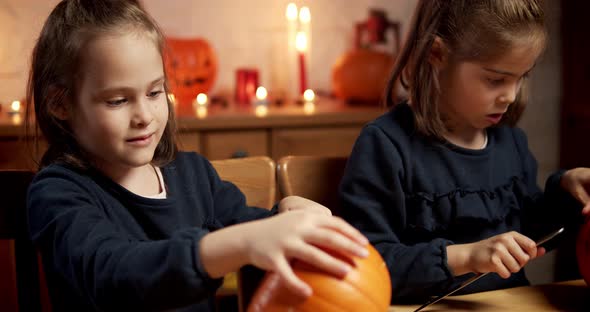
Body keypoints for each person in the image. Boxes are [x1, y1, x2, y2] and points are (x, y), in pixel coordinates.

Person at [25, 1, 369, 311]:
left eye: (155, 91)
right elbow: (115, 274)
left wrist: (285, 215)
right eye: (117, 100)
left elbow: (250, 231)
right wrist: (237, 243)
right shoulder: (57, 193)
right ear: (60, 103)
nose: (144, 115)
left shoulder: (193, 175)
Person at [338, 0, 590, 302]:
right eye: (495, 79)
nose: (510, 96)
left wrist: (568, 190)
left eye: (521, 76)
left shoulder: (511, 142)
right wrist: (466, 256)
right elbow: (366, 266)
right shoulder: (385, 145)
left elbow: (531, 234)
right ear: (437, 53)